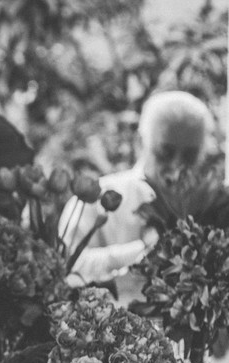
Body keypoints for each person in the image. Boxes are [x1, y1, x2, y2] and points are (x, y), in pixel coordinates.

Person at [60, 90, 214, 303]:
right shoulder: (93, 197)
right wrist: (149, 253)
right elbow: (65, 268)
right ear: (141, 142)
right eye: (165, 152)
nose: (176, 166)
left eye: (190, 156)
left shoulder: (213, 208)